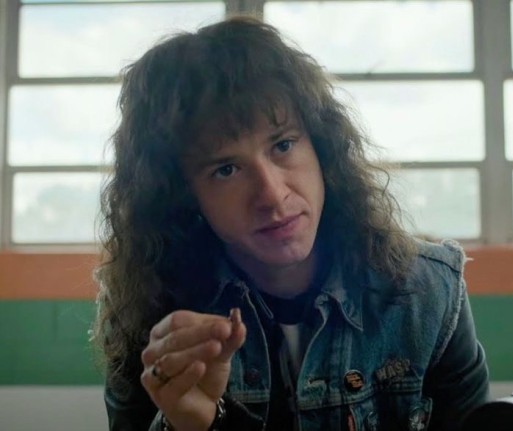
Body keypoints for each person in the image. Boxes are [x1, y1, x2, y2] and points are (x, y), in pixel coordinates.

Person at [93, 16, 489, 431]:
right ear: (182, 195)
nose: (272, 194)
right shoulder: (150, 309)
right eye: (226, 169)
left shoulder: (425, 294)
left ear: (322, 147)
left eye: (283, 144)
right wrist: (194, 424)